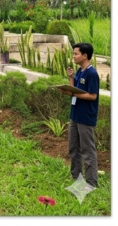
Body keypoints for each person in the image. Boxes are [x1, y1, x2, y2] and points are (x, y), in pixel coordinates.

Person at [61, 43, 100, 188]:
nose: (73, 56)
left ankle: (91, 183)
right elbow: (75, 88)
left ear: (85, 56)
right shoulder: (80, 70)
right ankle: (76, 176)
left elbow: (92, 96)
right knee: (73, 147)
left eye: (76, 54)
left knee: (87, 150)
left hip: (85, 117)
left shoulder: (92, 73)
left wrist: (71, 93)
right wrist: (70, 78)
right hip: (75, 115)